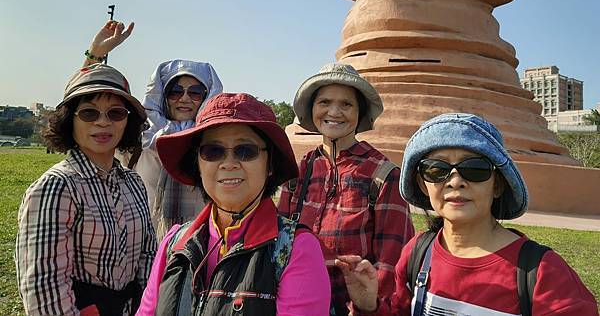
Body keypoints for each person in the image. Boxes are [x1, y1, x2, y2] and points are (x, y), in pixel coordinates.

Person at [336, 113, 599, 315]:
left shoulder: (542, 272)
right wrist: (368, 305)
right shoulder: (418, 252)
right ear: (422, 185)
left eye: (474, 168)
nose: (455, 181)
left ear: (498, 184)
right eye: (436, 169)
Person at [136, 93, 330, 315]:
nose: (228, 163)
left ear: (270, 165)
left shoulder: (294, 249)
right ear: (198, 164)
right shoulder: (174, 244)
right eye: (213, 151)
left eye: (246, 151)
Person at [16, 63, 157, 316]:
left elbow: (148, 257)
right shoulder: (57, 187)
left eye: (115, 113)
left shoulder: (133, 182)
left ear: (128, 121)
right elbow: (44, 287)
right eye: (89, 114)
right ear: (70, 120)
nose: (103, 122)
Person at [278, 62, 415, 316]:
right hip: (297, 305)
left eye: (346, 104)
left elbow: (390, 264)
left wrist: (368, 307)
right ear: (312, 109)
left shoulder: (383, 175)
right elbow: (279, 246)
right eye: (325, 102)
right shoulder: (297, 173)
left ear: (359, 113)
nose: (334, 111)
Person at [84, 20, 223, 238]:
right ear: (161, 95)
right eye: (175, 91)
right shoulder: (140, 136)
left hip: (198, 250)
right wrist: (95, 54)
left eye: (196, 92)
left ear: (207, 97)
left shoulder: (218, 142)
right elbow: (85, 114)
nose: (185, 98)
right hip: (139, 248)